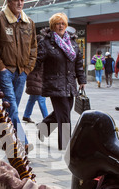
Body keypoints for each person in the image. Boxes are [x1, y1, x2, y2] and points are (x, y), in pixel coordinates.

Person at [0, 0, 37, 151]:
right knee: (12, 108)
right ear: (8, 2)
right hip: (6, 72)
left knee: (7, 110)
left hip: (22, 73)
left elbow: (34, 48)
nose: (20, 3)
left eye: (22, 0)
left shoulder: (29, 23)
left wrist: (28, 69)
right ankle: (23, 142)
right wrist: (1, 68)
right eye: (16, 0)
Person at [36, 14, 86, 151]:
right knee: (64, 115)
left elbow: (78, 64)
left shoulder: (73, 43)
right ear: (52, 26)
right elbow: (37, 61)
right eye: (58, 24)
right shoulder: (46, 43)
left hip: (70, 84)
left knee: (64, 112)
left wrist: (82, 80)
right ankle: (65, 146)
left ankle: (43, 127)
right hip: (54, 84)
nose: (61, 26)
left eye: (63, 23)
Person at [22, 35, 48, 123]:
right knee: (41, 99)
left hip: (35, 77)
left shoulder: (32, 51)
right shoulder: (38, 53)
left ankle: (26, 115)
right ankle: (47, 118)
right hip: (37, 77)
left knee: (32, 98)